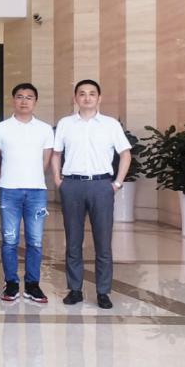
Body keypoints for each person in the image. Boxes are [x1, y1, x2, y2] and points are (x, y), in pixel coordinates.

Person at [52, 79, 131, 309]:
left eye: (92, 93)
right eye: (82, 93)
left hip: (101, 186)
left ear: (99, 98)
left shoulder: (110, 125)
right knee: (73, 241)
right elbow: (56, 154)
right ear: (75, 98)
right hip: (72, 185)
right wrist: (58, 180)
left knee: (103, 243)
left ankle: (103, 292)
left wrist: (117, 183)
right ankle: (75, 290)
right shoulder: (65, 124)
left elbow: (125, 154)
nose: (87, 97)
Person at [0, 83, 54, 303]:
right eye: (19, 96)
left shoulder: (45, 129)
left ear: (35, 101)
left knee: (35, 241)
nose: (24, 101)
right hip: (8, 190)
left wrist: (32, 178)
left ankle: (32, 285)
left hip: (37, 192)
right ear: (13, 100)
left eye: (29, 97)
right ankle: (11, 283)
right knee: (9, 240)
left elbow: (46, 161)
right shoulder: (1, 128)